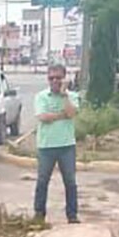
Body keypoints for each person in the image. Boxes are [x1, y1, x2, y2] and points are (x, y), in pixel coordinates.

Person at [33, 63, 80, 224]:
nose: (54, 81)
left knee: (70, 182)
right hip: (46, 146)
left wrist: (64, 95)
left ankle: (72, 215)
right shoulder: (41, 96)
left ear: (64, 78)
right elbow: (43, 117)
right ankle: (39, 214)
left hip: (67, 145)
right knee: (42, 181)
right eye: (51, 78)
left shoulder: (72, 96)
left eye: (58, 78)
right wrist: (62, 115)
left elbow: (72, 113)